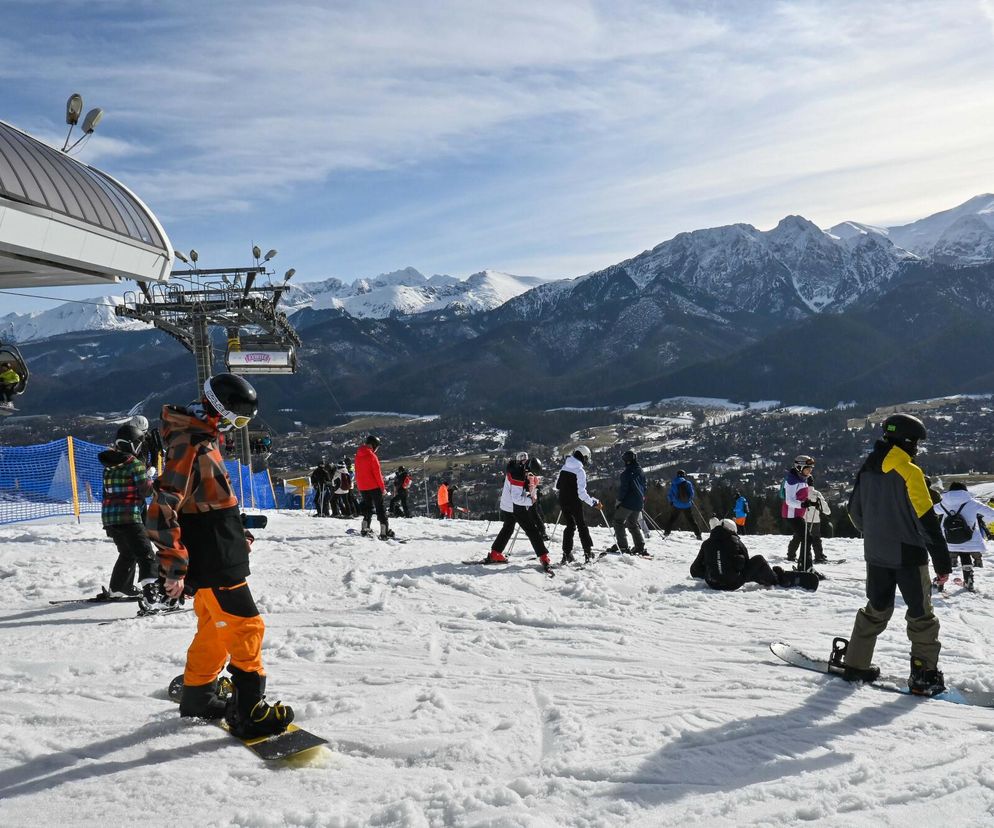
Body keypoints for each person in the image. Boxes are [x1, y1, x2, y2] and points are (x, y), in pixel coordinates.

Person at [146, 372, 293, 736]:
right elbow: (162, 507)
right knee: (246, 626)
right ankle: (249, 710)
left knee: (213, 627)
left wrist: (235, 529)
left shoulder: (202, 436)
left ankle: (198, 694)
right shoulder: (190, 442)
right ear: (223, 412)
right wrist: (174, 567)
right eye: (239, 420)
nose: (240, 428)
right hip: (212, 555)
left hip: (218, 544)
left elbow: (208, 497)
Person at [839, 413, 952, 695]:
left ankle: (855, 664)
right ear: (908, 441)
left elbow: (854, 512)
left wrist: (876, 532)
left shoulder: (867, 468)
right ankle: (924, 675)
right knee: (921, 617)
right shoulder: (911, 473)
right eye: (916, 443)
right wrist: (942, 562)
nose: (918, 449)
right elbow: (927, 522)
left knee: (875, 610)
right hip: (909, 557)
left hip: (875, 554)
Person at [98, 423, 160, 604]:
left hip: (110, 518)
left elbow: (107, 492)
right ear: (134, 445)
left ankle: (118, 587)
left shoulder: (108, 466)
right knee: (146, 553)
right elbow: (147, 491)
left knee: (127, 552)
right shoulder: (134, 463)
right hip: (130, 517)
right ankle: (152, 594)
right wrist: (151, 478)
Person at [690, 518, 818, 591]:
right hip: (732, 584)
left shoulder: (707, 543)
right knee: (758, 560)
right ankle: (777, 579)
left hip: (712, 583)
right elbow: (746, 562)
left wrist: (714, 570)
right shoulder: (735, 541)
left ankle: (767, 577)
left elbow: (694, 569)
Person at [485, 452, 553, 574]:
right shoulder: (517, 474)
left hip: (507, 505)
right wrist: (531, 500)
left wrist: (532, 485)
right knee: (532, 530)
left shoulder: (519, 468)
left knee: (508, 528)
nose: (532, 476)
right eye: (531, 473)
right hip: (515, 506)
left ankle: (495, 553)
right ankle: (543, 556)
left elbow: (526, 486)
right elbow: (517, 498)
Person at [933, 482, 994, 592]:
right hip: (969, 539)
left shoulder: (943, 504)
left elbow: (930, 512)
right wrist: (984, 521)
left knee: (943, 559)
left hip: (949, 541)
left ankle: (940, 581)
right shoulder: (973, 503)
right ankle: (968, 579)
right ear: (965, 491)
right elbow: (992, 514)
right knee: (965, 553)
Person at [555, 445, 602, 564]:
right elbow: (581, 493)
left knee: (570, 526)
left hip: (563, 500)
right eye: (586, 458)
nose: (586, 461)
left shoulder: (564, 467)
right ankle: (588, 553)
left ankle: (566, 554)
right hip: (574, 501)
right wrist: (593, 502)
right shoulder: (579, 471)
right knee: (582, 526)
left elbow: (557, 485)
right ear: (583, 457)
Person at [355, 435, 394, 539]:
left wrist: (360, 486)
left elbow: (357, 472)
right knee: (380, 508)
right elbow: (377, 474)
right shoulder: (372, 456)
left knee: (368, 507)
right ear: (374, 445)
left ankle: (365, 527)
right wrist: (383, 489)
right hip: (374, 486)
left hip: (363, 487)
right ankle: (384, 531)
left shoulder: (358, 455)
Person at [782, 455, 815, 567]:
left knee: (805, 538)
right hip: (791, 514)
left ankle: (804, 564)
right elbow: (789, 500)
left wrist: (810, 501)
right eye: (807, 468)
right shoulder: (792, 481)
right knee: (807, 538)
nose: (810, 470)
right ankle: (805, 565)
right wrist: (802, 504)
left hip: (798, 514)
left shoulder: (803, 478)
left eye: (811, 468)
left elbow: (804, 495)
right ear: (799, 467)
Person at [613, 449, 647, 555]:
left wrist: (619, 500)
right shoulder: (641, 471)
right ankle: (639, 546)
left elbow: (624, 489)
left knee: (618, 521)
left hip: (628, 502)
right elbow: (644, 486)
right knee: (632, 523)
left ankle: (622, 546)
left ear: (626, 461)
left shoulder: (626, 473)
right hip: (639, 502)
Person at [663, 469, 701, 540]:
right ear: (684, 475)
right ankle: (698, 534)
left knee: (672, 519)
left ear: (677, 475)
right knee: (691, 520)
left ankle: (666, 533)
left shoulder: (673, 483)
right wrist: (689, 500)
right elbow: (692, 494)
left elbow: (670, 495)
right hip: (687, 505)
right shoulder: (688, 483)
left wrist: (671, 501)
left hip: (676, 505)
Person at [803, 477, 832, 565]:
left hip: (803, 519)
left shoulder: (801, 493)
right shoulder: (816, 494)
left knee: (800, 537)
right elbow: (825, 509)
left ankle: (792, 555)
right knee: (816, 539)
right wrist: (827, 512)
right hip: (814, 520)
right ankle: (819, 556)